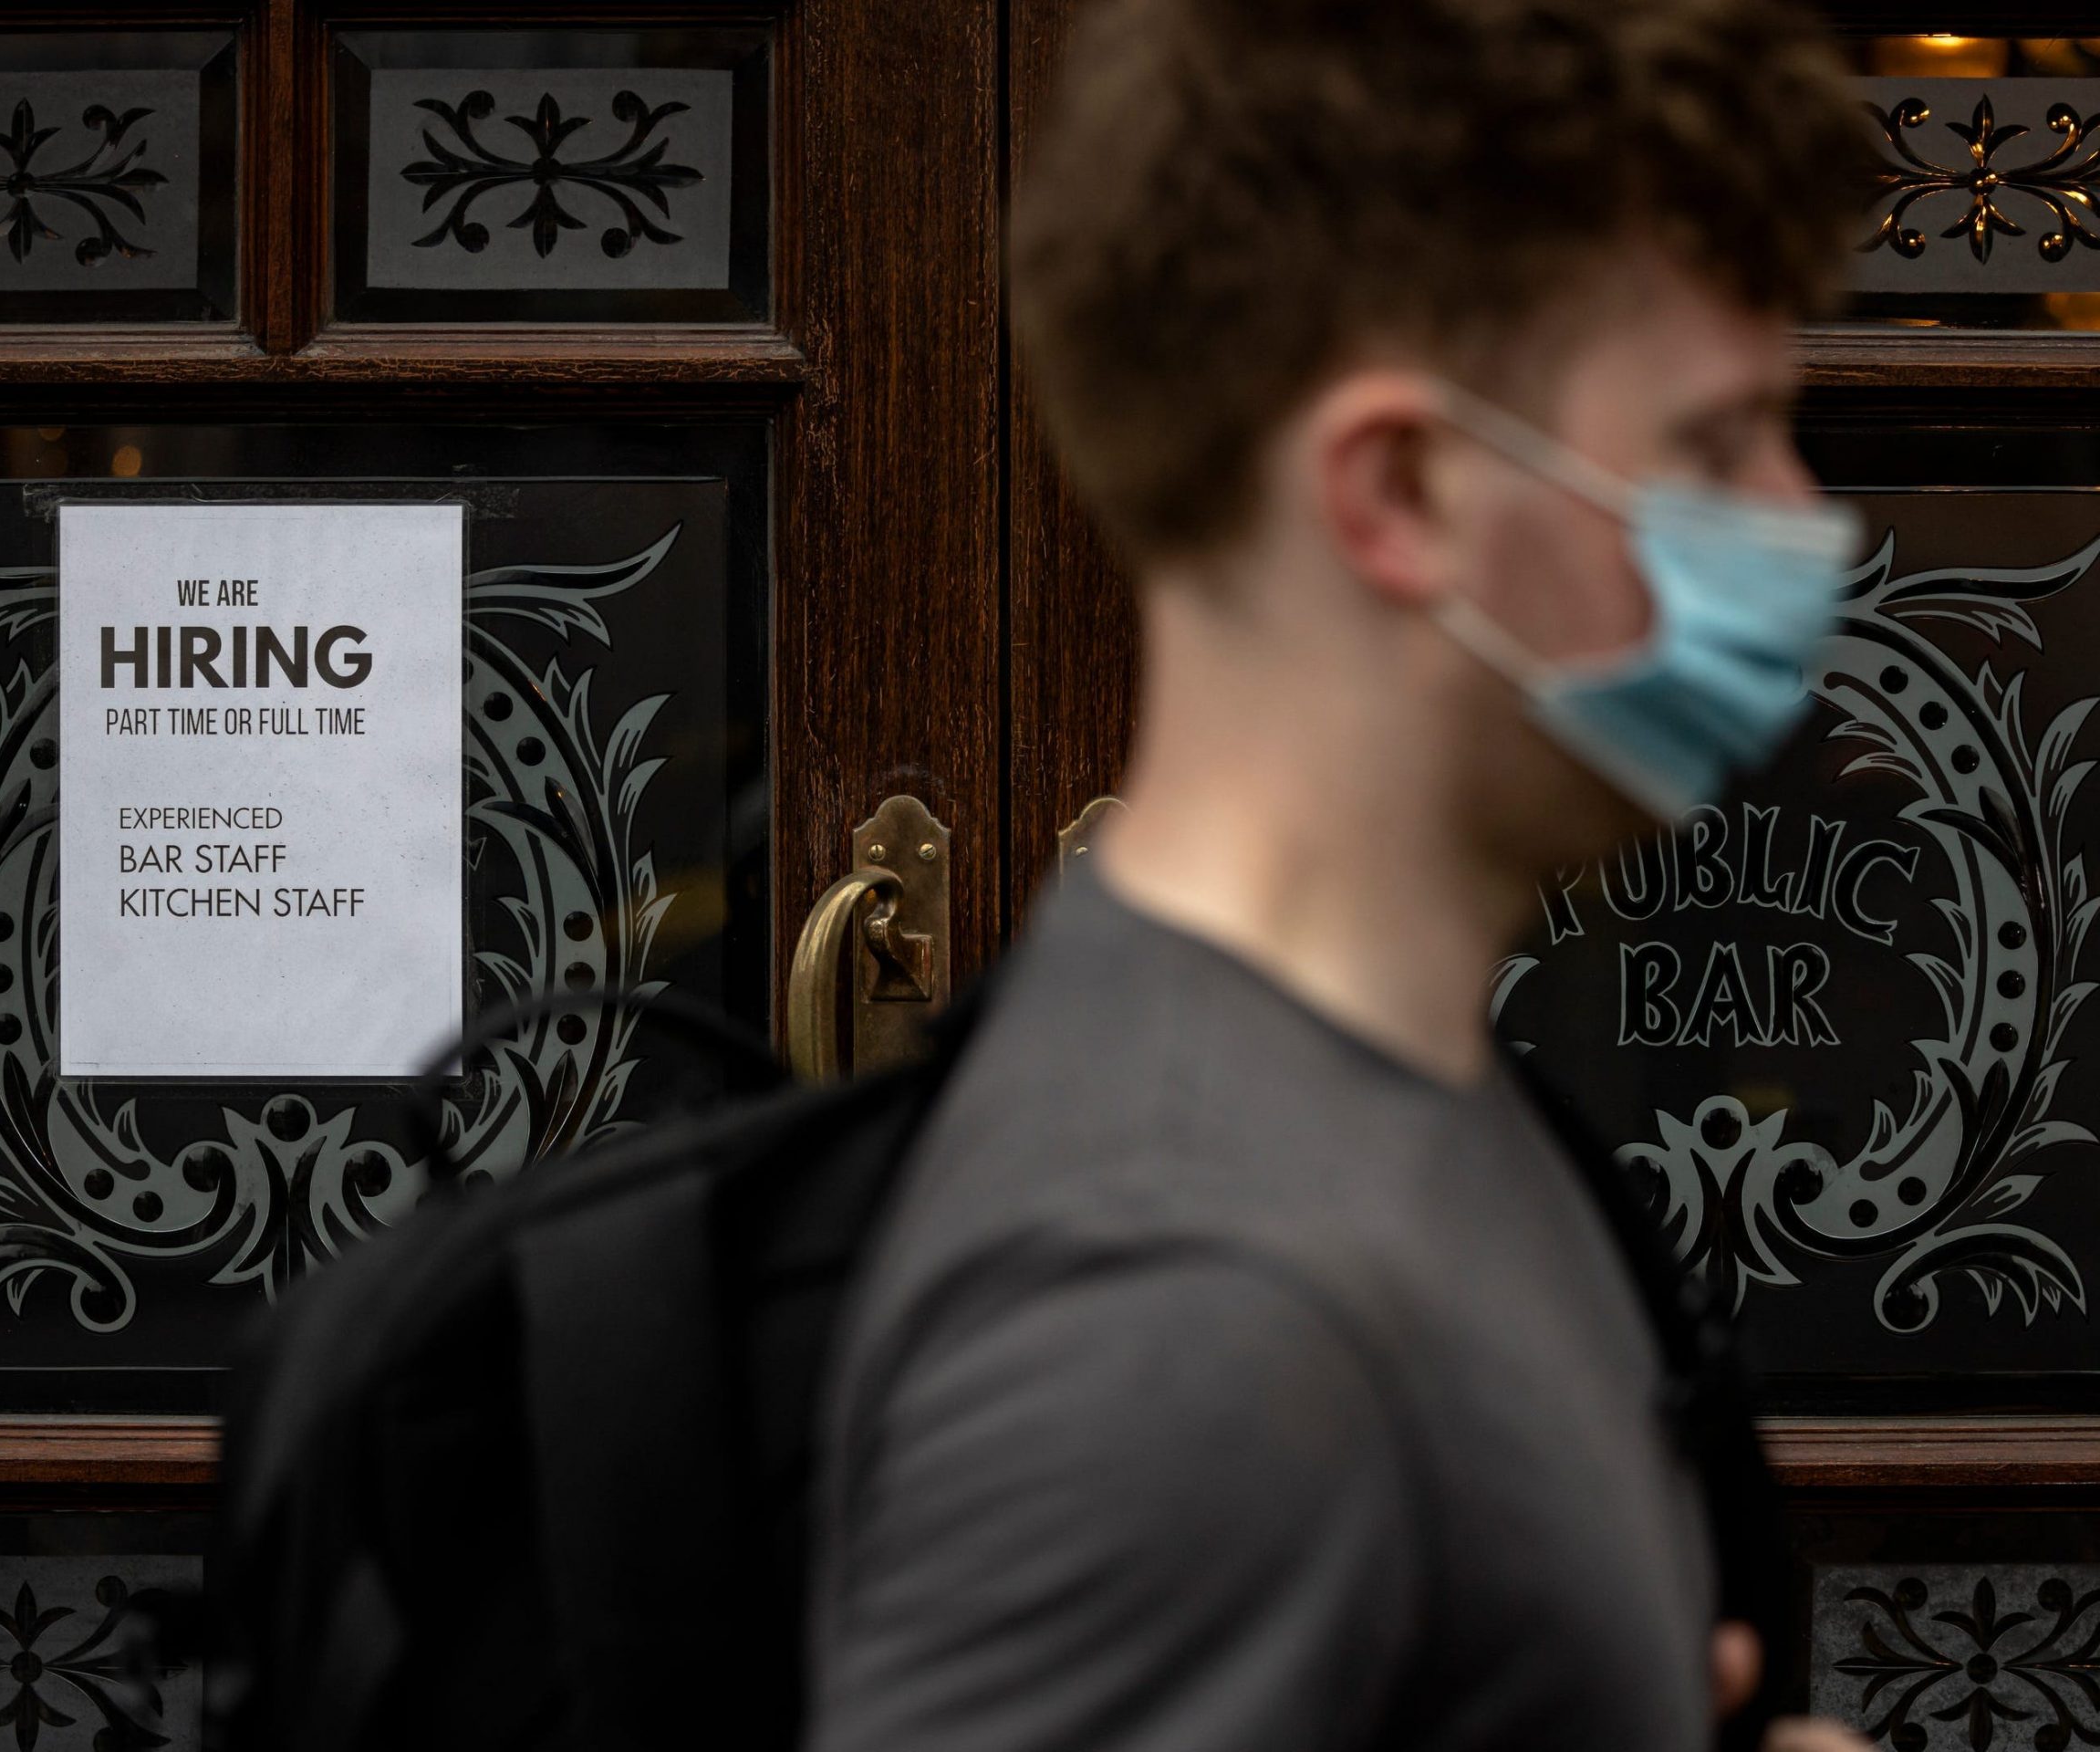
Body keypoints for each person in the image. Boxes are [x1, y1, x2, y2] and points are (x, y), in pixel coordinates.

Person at [805, 1, 1879, 1747]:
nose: (1796, 510)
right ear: (1401, 491)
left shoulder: (1396, 1105)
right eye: (1711, 445)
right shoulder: (1181, 1319)